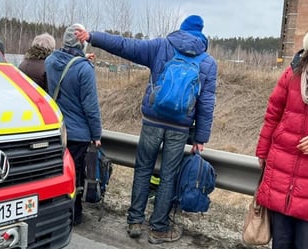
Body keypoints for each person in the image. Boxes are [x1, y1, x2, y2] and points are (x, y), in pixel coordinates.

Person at [76, 15, 217, 244]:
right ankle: (159, 228)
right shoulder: (208, 63)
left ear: (181, 29)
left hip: (152, 121)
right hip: (179, 127)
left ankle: (134, 221)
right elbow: (207, 102)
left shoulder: (162, 46)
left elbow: (124, 46)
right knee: (168, 176)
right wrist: (200, 137)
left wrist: (93, 37)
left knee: (143, 169)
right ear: (201, 33)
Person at [255, 27, 308, 249]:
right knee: (281, 241)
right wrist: (263, 151)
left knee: (306, 241)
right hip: (283, 163)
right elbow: (273, 113)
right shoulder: (292, 74)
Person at [45, 23, 102, 226]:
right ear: (82, 43)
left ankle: (54, 213)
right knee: (75, 175)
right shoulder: (84, 69)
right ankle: (74, 215)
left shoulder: (50, 61)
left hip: (57, 130)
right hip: (78, 133)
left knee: (57, 173)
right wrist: (97, 134)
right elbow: (91, 106)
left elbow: (65, 71)